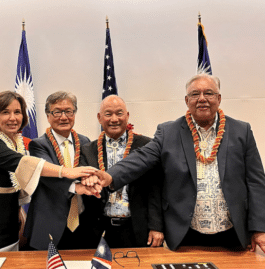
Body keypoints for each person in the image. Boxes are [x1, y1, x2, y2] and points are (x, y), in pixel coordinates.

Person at [87, 73, 265, 252]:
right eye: (195, 94)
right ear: (187, 101)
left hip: (233, 233)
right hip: (186, 233)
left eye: (208, 93)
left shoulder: (242, 131)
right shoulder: (168, 132)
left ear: (218, 99)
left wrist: (259, 228)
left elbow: (256, 183)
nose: (202, 99)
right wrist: (110, 176)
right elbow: (141, 157)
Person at [0, 91, 96, 253]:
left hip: (9, 230)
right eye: (5, 112)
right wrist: (67, 172)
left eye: (17, 112)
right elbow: (27, 165)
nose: (12, 118)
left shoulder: (16, 144)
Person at [79, 95, 164, 248]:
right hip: (98, 229)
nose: (114, 119)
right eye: (108, 114)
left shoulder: (147, 146)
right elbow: (83, 185)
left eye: (119, 113)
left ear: (127, 116)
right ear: (99, 118)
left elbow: (155, 189)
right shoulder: (87, 150)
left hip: (137, 228)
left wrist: (156, 226)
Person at [24, 91, 101, 250]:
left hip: (83, 222)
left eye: (68, 111)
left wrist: (90, 180)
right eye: (57, 112)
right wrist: (76, 187)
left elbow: (88, 170)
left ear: (74, 113)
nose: (63, 117)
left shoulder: (84, 141)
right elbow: (48, 178)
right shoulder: (38, 145)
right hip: (50, 224)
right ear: (48, 115)